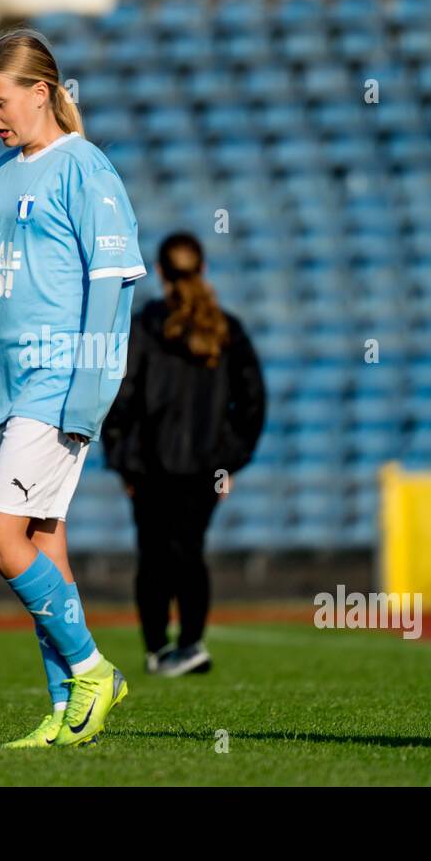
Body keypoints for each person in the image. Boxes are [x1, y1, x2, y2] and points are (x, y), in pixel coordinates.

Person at [0, 29, 145, 747]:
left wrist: (89, 392)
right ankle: (71, 707)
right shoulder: (0, 176)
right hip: (0, 388)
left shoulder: (88, 170)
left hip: (57, 378)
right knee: (43, 541)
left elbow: (111, 289)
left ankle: (93, 668)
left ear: (41, 91)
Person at [102, 232, 265, 677]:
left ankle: (158, 649)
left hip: (150, 466)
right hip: (203, 468)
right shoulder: (225, 328)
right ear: (203, 268)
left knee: (154, 557)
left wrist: (122, 460)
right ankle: (191, 643)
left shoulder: (144, 325)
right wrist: (229, 461)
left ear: (159, 271)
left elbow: (120, 395)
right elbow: (252, 403)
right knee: (189, 553)